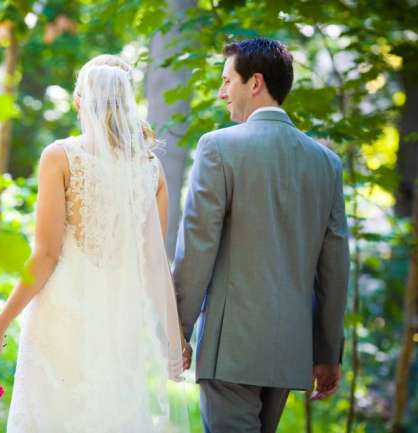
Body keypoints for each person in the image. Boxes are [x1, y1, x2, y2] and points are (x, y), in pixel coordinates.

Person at [0, 54, 190, 433]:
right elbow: (155, 263)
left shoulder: (60, 156)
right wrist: (174, 340)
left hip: (61, 318)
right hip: (118, 323)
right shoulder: (151, 169)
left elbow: (46, 255)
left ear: (78, 101)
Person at [172, 38, 350, 433]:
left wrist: (176, 331)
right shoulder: (326, 163)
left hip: (230, 349)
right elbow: (335, 266)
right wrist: (327, 352)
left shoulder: (217, 147)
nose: (221, 93)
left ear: (255, 83)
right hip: (288, 350)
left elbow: (197, 247)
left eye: (226, 81)